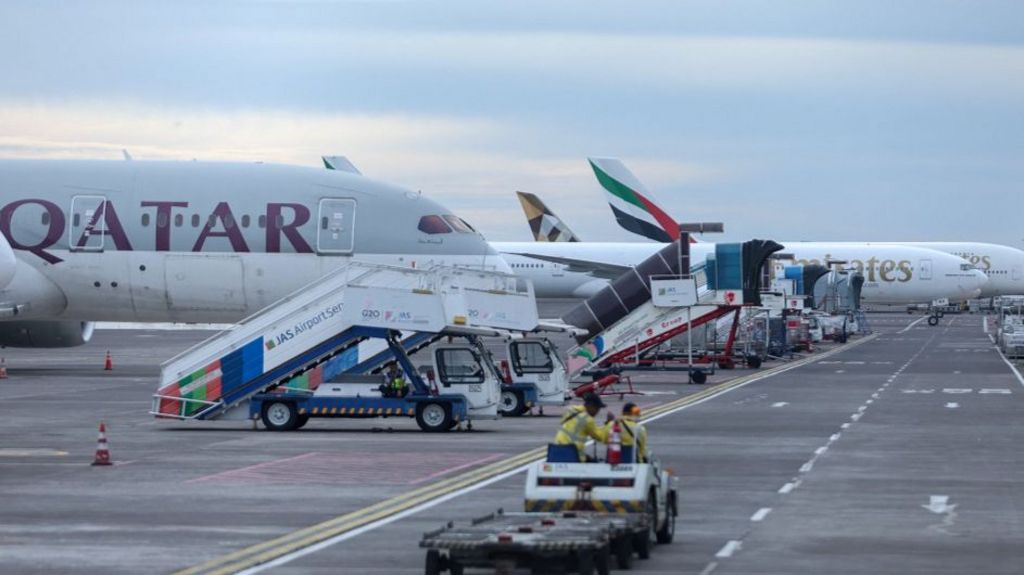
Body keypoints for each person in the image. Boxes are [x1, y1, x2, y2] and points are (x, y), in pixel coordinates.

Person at [554, 392, 612, 462]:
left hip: (557, 449)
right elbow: (601, 437)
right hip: (572, 454)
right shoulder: (587, 419)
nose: (597, 412)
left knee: (588, 458)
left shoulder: (572, 411)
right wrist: (609, 423)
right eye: (597, 409)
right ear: (590, 405)